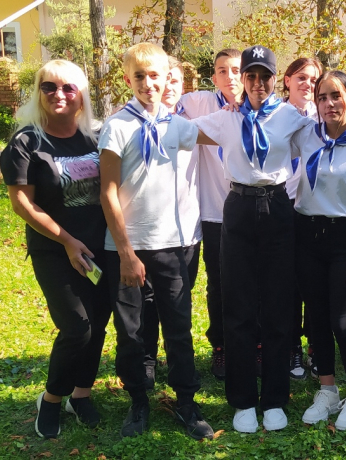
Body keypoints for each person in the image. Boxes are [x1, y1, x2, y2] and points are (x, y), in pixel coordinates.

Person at [191, 45, 346, 433]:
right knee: (238, 306)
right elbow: (182, 132)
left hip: (278, 209)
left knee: (279, 306)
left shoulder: (292, 118)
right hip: (238, 208)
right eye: (251, 76)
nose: (258, 83)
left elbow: (335, 130)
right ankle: (244, 399)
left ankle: (275, 398)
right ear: (242, 79)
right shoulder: (227, 117)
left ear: (276, 80)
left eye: (265, 76)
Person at [98, 42, 213, 440]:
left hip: (172, 246)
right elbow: (108, 192)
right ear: (127, 79)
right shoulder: (117, 126)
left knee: (179, 328)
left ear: (167, 79)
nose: (148, 84)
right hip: (127, 249)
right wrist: (126, 253)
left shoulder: (177, 126)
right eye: (139, 77)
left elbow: (225, 139)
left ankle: (186, 402)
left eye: (155, 76)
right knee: (131, 332)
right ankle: (138, 402)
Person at [0, 59, 111, 438]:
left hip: (100, 249)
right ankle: (50, 400)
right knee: (77, 327)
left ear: (81, 96)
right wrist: (67, 241)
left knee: (98, 325)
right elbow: (23, 204)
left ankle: (81, 395)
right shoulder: (26, 143)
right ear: (38, 93)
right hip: (55, 251)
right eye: (49, 87)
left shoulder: (95, 138)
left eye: (68, 88)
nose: (58, 94)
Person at [295, 70, 346, 431]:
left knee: (342, 321)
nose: (329, 104)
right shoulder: (305, 135)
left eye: (336, 96)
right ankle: (327, 390)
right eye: (322, 97)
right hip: (306, 235)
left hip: (345, 238)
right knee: (316, 319)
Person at [177, 49, 243, 381]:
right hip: (215, 213)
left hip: (250, 209)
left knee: (253, 281)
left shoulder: (259, 107)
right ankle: (221, 346)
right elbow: (162, 108)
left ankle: (253, 344)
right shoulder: (198, 102)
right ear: (213, 77)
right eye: (222, 70)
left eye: (236, 70)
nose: (230, 76)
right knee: (218, 284)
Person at [141, 56, 202, 390]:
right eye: (164, 79)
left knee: (179, 302)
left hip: (186, 229)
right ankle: (147, 360)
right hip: (149, 231)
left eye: (175, 80)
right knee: (146, 300)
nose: (168, 86)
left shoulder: (191, 123)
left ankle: (178, 362)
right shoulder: (134, 122)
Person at [282, 57, 323, 380]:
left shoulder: (322, 118)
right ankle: (292, 345)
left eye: (313, 79)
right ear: (287, 80)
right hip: (282, 207)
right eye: (301, 77)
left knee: (315, 282)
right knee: (289, 283)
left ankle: (317, 347)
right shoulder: (274, 115)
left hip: (314, 209)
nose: (307, 84)